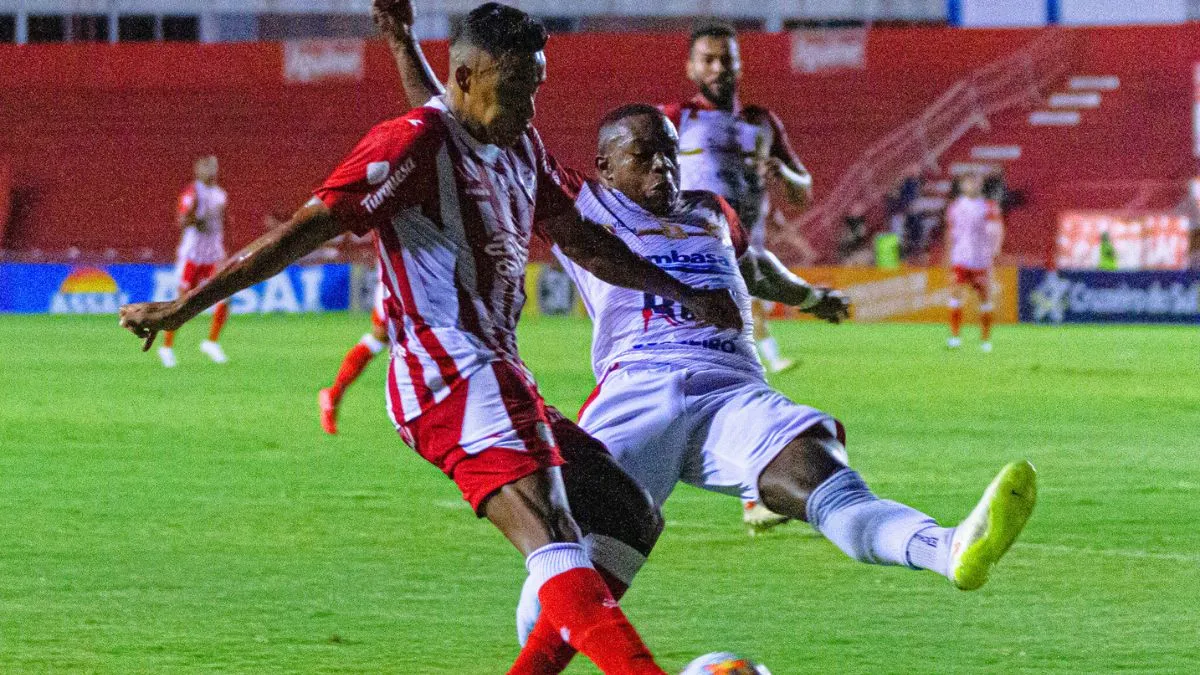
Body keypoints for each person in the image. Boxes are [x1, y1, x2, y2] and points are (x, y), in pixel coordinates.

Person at [376, 14, 1037, 673]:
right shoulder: (583, 205)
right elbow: (460, 130)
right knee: (567, 577)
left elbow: (758, 270)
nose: (665, 166)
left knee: (820, 473)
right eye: (645, 155)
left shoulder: (712, 211)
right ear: (605, 166)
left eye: (670, 151)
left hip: (732, 387)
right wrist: (405, 43)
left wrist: (812, 297)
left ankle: (947, 547)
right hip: (638, 390)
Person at [121, 4, 746, 672]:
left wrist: (680, 293)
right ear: (470, 77)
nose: (529, 110)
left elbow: (582, 240)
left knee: (629, 513)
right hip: (445, 368)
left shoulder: (512, 142)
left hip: (496, 369)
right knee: (556, 533)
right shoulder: (410, 143)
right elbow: (302, 230)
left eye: (535, 90)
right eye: (516, 92)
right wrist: (185, 305)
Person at [660, 22, 825, 530]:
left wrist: (783, 174)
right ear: (691, 67)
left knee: (725, 378)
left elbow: (803, 191)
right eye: (707, 59)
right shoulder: (674, 118)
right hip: (688, 264)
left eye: (726, 59)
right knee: (702, 377)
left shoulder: (762, 122)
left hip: (742, 263)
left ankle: (751, 492)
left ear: (739, 64)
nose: (718, 68)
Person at [159, 155, 230, 368]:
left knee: (224, 296)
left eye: (214, 168)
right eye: (207, 168)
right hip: (192, 256)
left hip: (213, 255)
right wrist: (196, 219)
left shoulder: (220, 195)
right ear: (199, 171)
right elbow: (182, 220)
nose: (211, 172)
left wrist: (223, 250)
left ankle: (211, 342)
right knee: (183, 303)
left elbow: (222, 224)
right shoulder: (193, 193)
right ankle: (167, 347)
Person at [318, 273, 389, 435]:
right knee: (383, 336)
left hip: (419, 277)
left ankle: (333, 394)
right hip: (402, 279)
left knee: (383, 337)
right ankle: (333, 394)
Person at [944, 172, 1003, 352]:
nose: (973, 186)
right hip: (960, 257)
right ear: (963, 186)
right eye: (969, 182)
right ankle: (955, 337)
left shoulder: (988, 207)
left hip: (980, 259)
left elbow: (998, 229)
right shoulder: (955, 207)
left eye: (976, 182)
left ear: (981, 185)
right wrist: (947, 255)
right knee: (955, 293)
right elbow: (950, 232)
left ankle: (985, 340)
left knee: (984, 297)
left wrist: (994, 252)